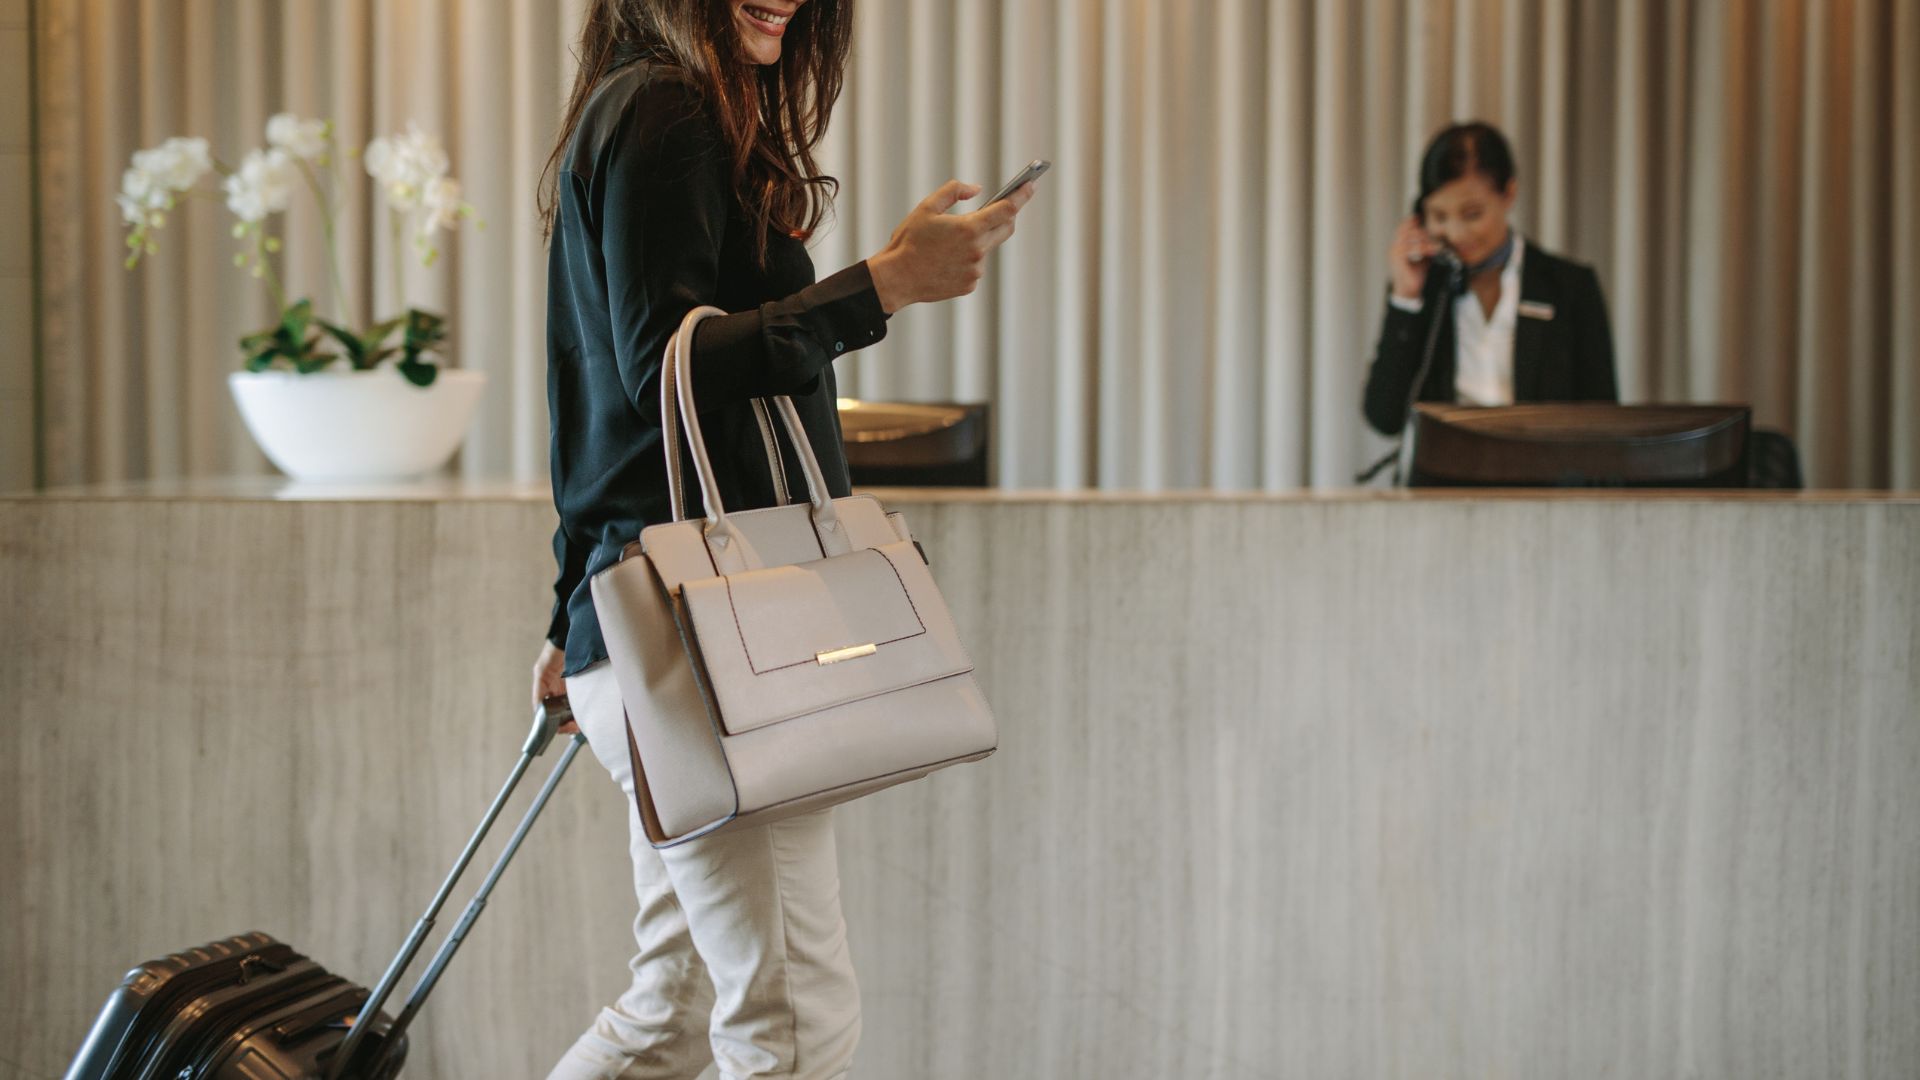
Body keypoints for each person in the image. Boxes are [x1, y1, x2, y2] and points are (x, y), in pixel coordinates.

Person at [530, 1, 1036, 1076]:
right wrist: (885, 285)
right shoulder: (670, 108)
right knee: (793, 1029)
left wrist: (569, 618)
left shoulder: (632, 103)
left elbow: (597, 410)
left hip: (653, 643)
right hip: (701, 664)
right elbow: (668, 373)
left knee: (669, 1011)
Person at [1362, 121, 1618, 437]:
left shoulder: (1570, 287)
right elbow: (1384, 417)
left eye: (1472, 214)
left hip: (1543, 478)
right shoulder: (1424, 288)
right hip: (1443, 479)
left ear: (1508, 193)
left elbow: (1603, 421)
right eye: (1439, 216)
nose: (1456, 234)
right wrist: (1405, 297)